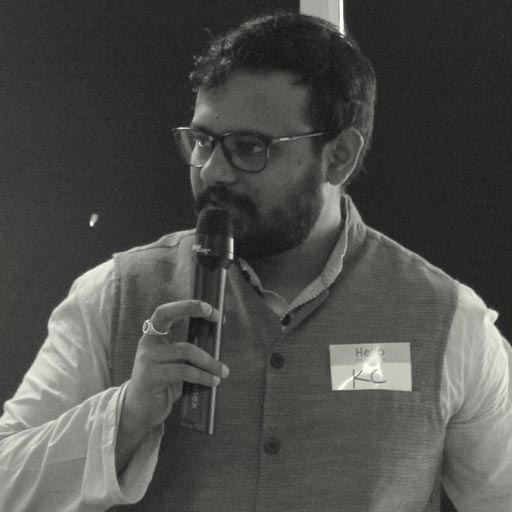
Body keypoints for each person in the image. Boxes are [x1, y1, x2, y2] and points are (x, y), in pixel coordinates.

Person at [1, 10, 511, 512]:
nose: (212, 172)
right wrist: (125, 417)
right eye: (203, 142)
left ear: (338, 157)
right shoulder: (114, 296)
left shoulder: (447, 323)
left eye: (249, 147)